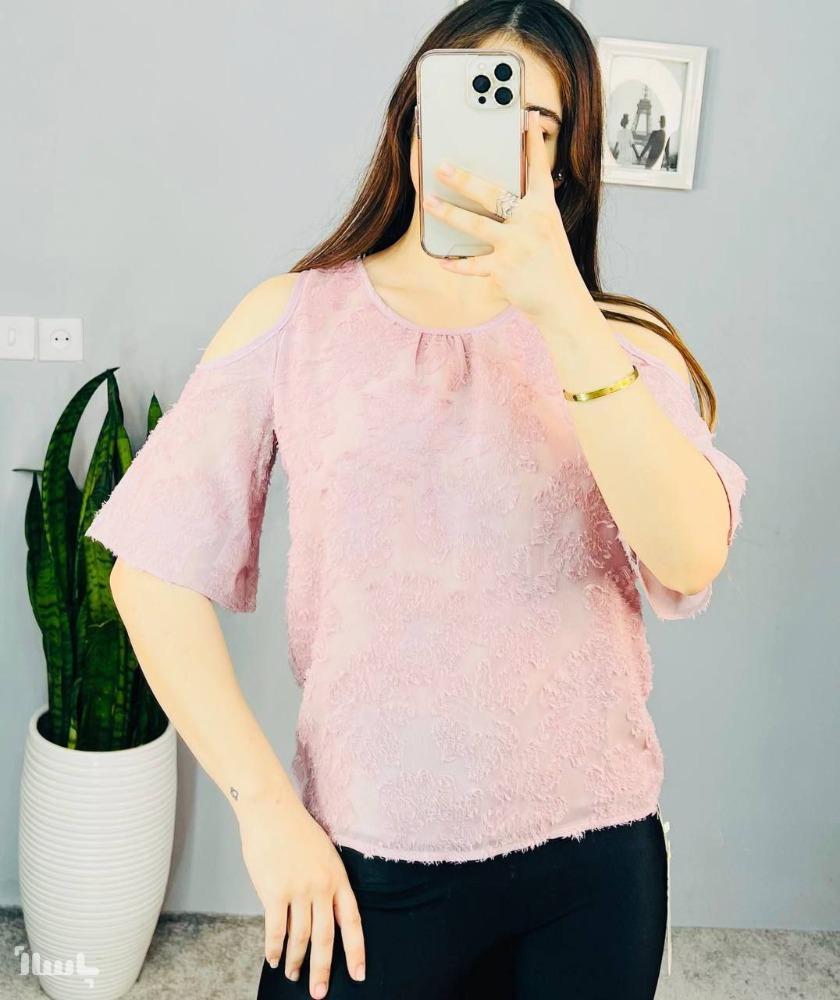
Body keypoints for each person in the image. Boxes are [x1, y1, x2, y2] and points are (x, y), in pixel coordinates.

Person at [84, 2, 747, 998]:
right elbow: (149, 571)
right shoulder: (297, 320)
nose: (502, 136)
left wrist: (563, 312)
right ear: (412, 119)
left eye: (537, 122)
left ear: (568, 160)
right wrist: (265, 808)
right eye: (474, 100)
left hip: (594, 859)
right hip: (369, 860)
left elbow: (690, 555)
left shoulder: (620, 345)